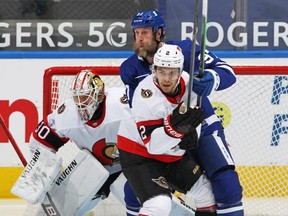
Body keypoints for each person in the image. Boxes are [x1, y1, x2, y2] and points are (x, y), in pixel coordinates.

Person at [120, 10, 243, 216]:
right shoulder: (130, 69)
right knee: (134, 190)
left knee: (226, 183)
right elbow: (140, 115)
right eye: (137, 32)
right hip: (163, 132)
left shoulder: (186, 50)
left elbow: (227, 71)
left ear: (159, 33)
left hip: (200, 126)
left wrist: (212, 79)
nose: (139, 38)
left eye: (145, 32)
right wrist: (173, 134)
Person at [12, 69, 131, 215]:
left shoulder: (124, 104)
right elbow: (39, 142)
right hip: (94, 169)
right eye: (77, 97)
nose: (80, 104)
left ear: (99, 95)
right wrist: (44, 175)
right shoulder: (66, 115)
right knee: (55, 212)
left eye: (85, 97)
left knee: (151, 207)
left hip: (132, 165)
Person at [118, 44, 217, 216]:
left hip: (171, 156)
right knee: (159, 205)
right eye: (161, 71)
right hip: (139, 154)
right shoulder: (145, 95)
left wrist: (193, 134)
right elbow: (153, 146)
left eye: (172, 72)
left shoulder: (189, 83)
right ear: (154, 70)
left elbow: (194, 118)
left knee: (206, 193)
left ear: (180, 71)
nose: (166, 78)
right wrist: (176, 131)